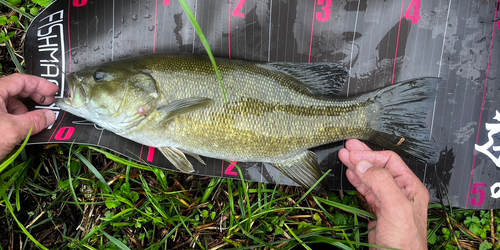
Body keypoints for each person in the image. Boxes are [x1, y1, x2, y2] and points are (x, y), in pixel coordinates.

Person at [0, 73, 429, 249]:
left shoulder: (149, 109)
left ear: (146, 91)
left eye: (100, 79)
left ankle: (371, 113)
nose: (89, 82)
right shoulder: (140, 116)